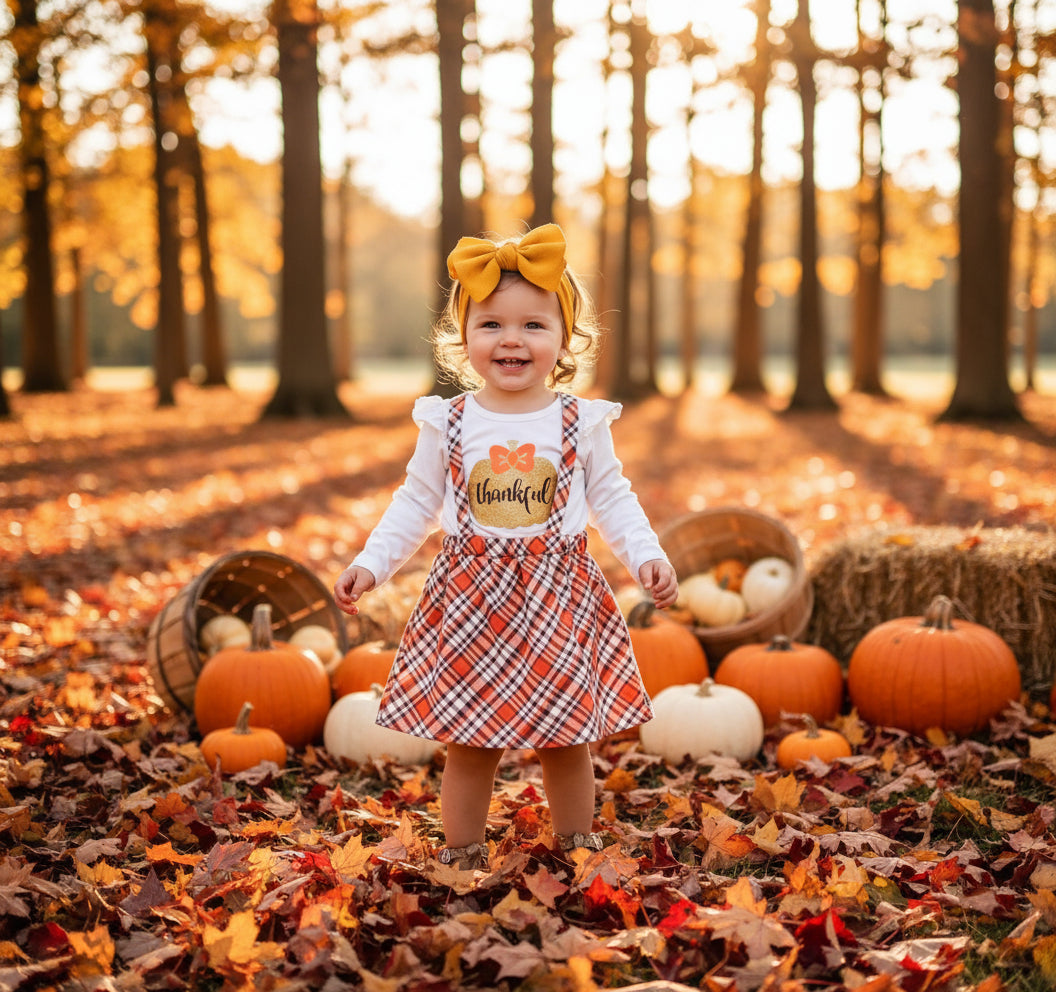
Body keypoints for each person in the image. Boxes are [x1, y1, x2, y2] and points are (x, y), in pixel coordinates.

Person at [333, 223, 678, 871]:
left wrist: (646, 557)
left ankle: (577, 845)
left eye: (533, 326)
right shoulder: (449, 422)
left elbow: (612, 498)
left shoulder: (580, 421)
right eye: (491, 325)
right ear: (462, 337)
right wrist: (370, 565)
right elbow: (415, 503)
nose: (512, 339)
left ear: (564, 339)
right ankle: (462, 850)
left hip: (558, 596)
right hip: (471, 600)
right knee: (470, 742)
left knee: (565, 739)